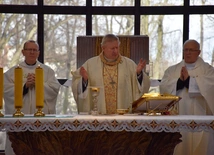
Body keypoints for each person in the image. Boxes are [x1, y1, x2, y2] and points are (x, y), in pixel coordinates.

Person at [4, 40, 61, 155]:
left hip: (41, 119)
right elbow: (6, 91)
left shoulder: (47, 71)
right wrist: (24, 86)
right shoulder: (13, 72)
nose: (32, 52)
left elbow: (54, 90)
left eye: (34, 50)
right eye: (29, 50)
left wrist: (39, 83)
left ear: (38, 53)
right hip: (20, 119)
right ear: (23, 52)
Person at [71, 34, 150, 114]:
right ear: (103, 48)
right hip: (99, 117)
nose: (115, 51)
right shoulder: (91, 64)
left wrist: (139, 74)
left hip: (123, 117)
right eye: (112, 48)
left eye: (117, 47)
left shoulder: (129, 64)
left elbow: (141, 88)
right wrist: (84, 80)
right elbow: (76, 83)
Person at [159, 39, 214, 155]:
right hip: (179, 115)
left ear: (198, 52)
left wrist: (190, 81)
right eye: (185, 50)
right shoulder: (172, 70)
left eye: (191, 50)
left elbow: (211, 87)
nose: (188, 53)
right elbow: (163, 86)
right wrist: (179, 83)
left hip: (201, 114)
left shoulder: (208, 70)